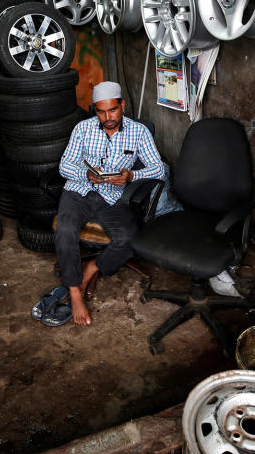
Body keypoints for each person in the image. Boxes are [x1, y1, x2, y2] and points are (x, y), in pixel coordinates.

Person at [56, 81, 163, 326]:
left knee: (129, 240)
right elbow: (64, 166)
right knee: (65, 231)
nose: (107, 118)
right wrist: (86, 175)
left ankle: (92, 267)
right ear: (95, 110)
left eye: (112, 110)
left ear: (122, 105)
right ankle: (75, 292)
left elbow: (158, 169)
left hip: (112, 196)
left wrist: (131, 176)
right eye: (101, 112)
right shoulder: (82, 129)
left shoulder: (138, 132)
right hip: (79, 190)